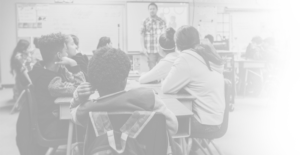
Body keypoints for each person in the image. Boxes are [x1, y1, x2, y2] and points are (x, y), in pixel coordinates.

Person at [70, 47, 178, 136]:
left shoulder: (86, 109)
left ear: (93, 84)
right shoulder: (148, 98)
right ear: (125, 80)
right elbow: (173, 127)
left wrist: (79, 97)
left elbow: (72, 111)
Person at [161, 25, 225, 155]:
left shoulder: (186, 57)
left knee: (161, 121)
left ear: (177, 44)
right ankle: (191, 149)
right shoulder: (206, 54)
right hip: (216, 118)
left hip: (205, 122)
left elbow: (166, 87)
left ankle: (179, 151)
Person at [28, 32, 86, 139]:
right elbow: (82, 88)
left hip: (55, 118)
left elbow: (75, 83)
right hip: (51, 126)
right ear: (59, 56)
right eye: (65, 51)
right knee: (89, 124)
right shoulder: (52, 83)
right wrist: (73, 63)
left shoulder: (57, 68)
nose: (67, 54)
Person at [140, 2, 167, 70]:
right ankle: (154, 81)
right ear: (148, 10)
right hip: (150, 51)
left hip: (161, 50)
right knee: (152, 71)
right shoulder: (145, 21)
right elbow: (142, 35)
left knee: (162, 70)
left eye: (153, 9)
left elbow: (165, 36)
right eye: (150, 9)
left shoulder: (162, 21)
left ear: (156, 10)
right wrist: (143, 48)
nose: (152, 10)